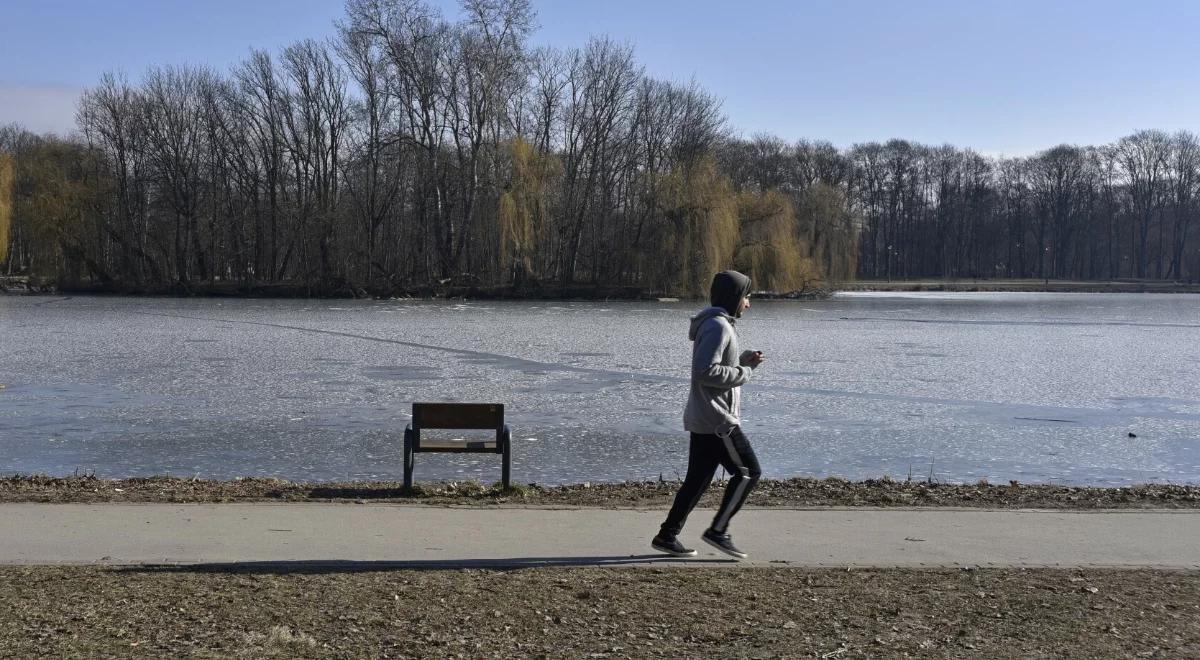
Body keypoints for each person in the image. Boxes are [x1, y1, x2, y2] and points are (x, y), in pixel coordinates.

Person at [653, 270, 764, 559]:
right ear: (735, 298)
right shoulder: (719, 327)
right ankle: (719, 531)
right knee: (749, 472)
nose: (748, 303)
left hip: (705, 417)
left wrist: (740, 361)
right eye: (746, 297)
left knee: (697, 481)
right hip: (718, 421)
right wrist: (744, 372)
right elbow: (705, 371)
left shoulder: (716, 325)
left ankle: (667, 536)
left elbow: (713, 366)